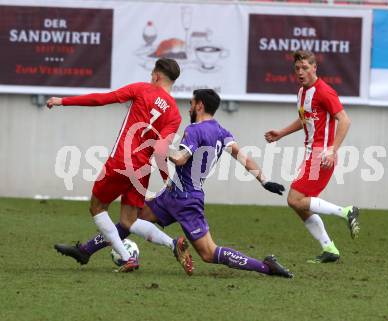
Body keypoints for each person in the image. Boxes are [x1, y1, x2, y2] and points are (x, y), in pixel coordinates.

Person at [57, 89, 293, 278]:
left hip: (187, 200)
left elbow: (181, 158)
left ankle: (265, 267)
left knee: (209, 253)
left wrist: (158, 145)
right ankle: (85, 250)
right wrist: (264, 180)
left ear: (199, 105)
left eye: (191, 103)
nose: (189, 107)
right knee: (130, 221)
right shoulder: (223, 132)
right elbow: (244, 157)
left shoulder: (194, 130)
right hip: (172, 194)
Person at [48, 58, 192, 273]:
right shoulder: (174, 114)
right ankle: (173, 244)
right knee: (129, 220)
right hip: (143, 169)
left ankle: (127, 258)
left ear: (157, 75)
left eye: (152, 73)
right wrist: (165, 178)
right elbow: (161, 150)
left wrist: (63, 101)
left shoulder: (142, 89)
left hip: (121, 161)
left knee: (97, 207)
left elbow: (102, 99)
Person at [265, 50, 360, 263]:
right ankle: (329, 248)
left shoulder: (325, 92)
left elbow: (345, 120)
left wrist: (332, 150)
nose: (300, 72)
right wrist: (281, 133)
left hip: (322, 155)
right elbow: (305, 119)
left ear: (314, 68)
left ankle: (346, 212)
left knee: (294, 199)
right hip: (310, 154)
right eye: (297, 68)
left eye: (305, 68)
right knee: (298, 204)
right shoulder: (301, 92)